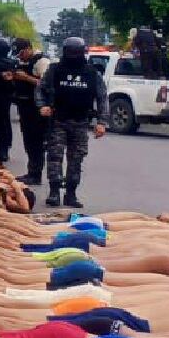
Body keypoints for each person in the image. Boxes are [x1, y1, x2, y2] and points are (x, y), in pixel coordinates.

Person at [36, 37, 108, 209]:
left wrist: (102, 122)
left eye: (76, 52)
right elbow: (40, 89)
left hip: (81, 122)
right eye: (70, 52)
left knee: (76, 159)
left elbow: (102, 98)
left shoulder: (92, 73)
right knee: (55, 157)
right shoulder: (55, 70)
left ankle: (71, 194)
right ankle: (54, 192)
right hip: (58, 121)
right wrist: (42, 105)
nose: (73, 55)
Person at [10, 38, 50, 185]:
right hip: (25, 108)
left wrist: (26, 78)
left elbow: (46, 85)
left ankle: (35, 174)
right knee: (28, 141)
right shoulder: (24, 63)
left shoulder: (42, 62)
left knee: (36, 142)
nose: (20, 57)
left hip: (36, 109)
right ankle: (31, 172)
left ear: (28, 48)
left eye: (21, 53)